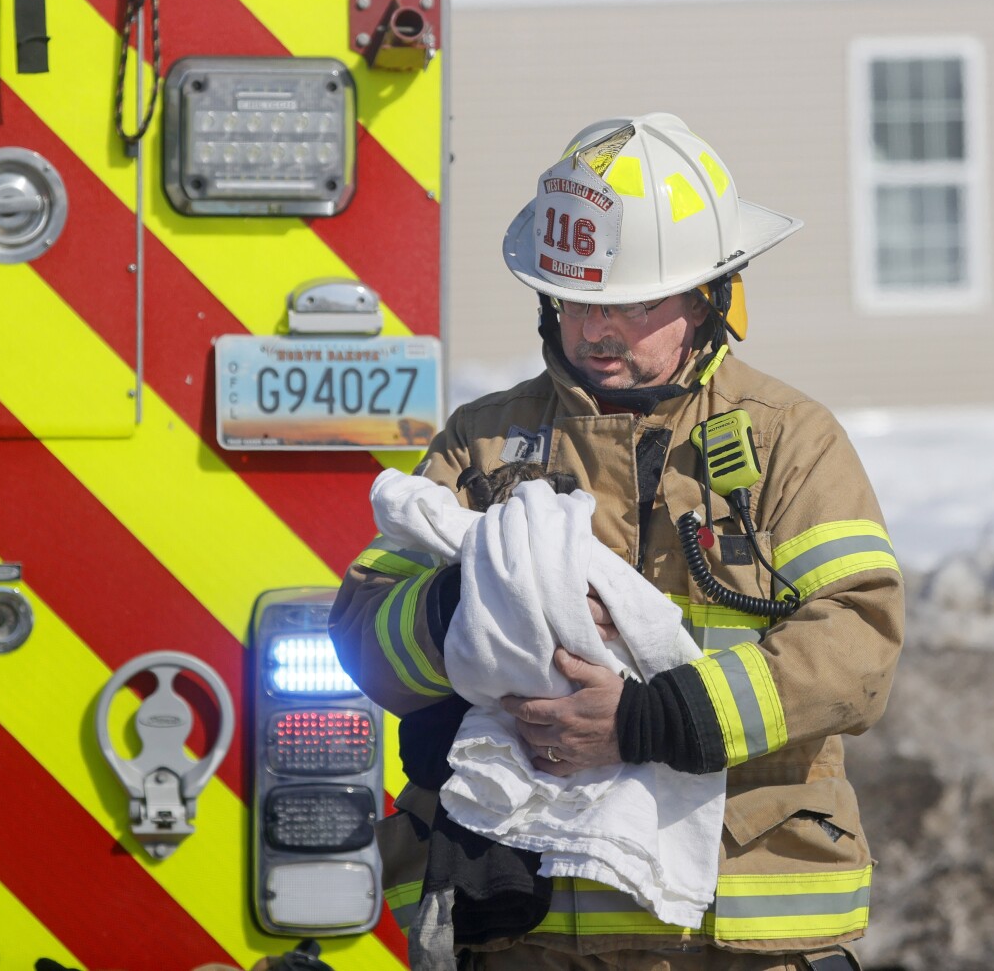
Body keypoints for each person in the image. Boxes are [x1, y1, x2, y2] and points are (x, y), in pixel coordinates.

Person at [329, 112, 905, 970]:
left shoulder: (790, 440)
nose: (596, 330)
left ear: (714, 294)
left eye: (634, 302)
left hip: (730, 933)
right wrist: (465, 607)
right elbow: (360, 636)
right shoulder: (481, 444)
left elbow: (858, 648)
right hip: (521, 931)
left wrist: (648, 719)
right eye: (575, 301)